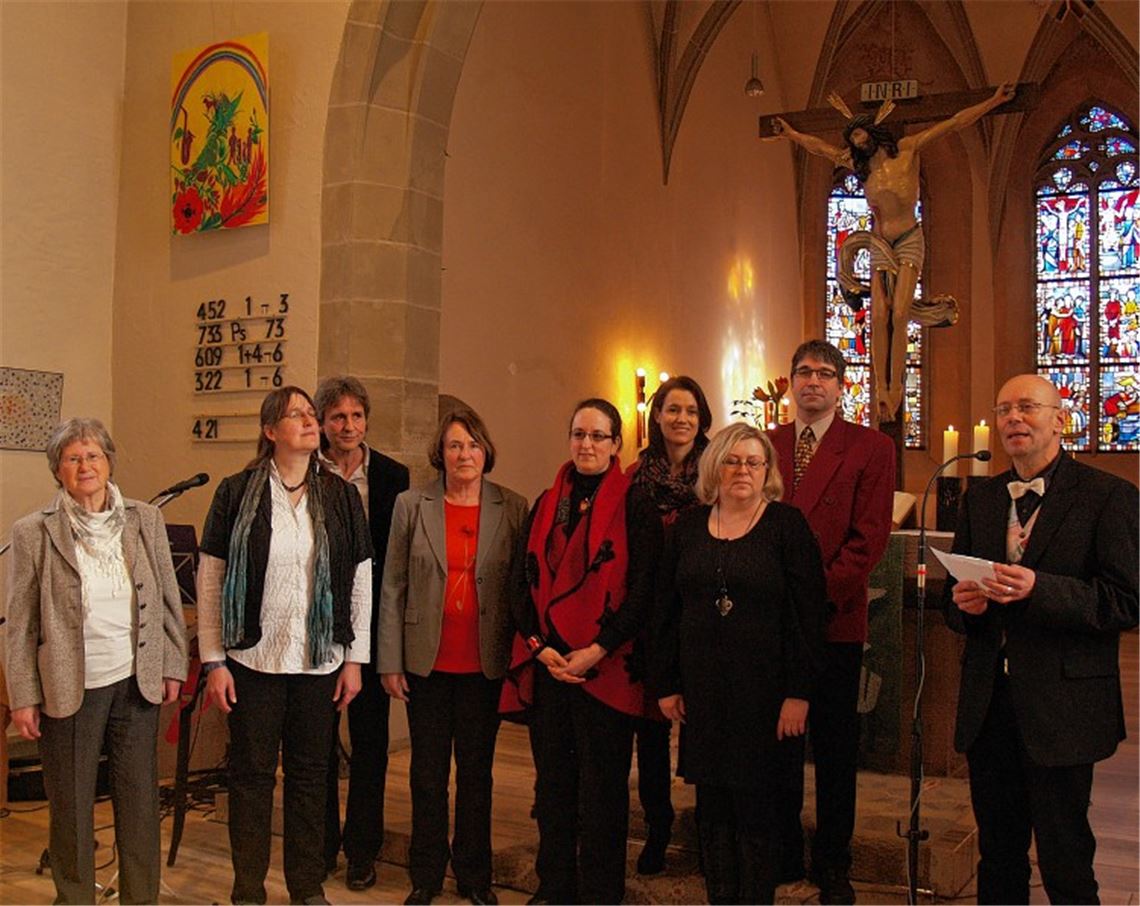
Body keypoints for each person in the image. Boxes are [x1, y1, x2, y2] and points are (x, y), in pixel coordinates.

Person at [945, 373, 1138, 904]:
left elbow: (1127, 602)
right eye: (1004, 409)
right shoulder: (981, 499)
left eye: (1027, 407)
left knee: (1065, 859)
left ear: (1060, 419)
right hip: (990, 706)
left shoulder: (1109, 496)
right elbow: (957, 603)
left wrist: (1040, 589)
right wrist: (966, 606)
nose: (1013, 418)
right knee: (998, 855)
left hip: (1063, 705)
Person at [197, 386, 373, 906]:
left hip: (319, 660)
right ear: (271, 431)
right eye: (297, 415)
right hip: (251, 659)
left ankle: (306, 887)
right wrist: (213, 661)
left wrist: (355, 659)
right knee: (251, 777)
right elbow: (211, 579)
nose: (310, 421)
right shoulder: (236, 492)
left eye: (310, 413)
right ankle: (248, 889)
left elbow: (360, 580)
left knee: (310, 777)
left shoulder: (340, 495)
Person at [4, 417, 189, 904]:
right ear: (57, 470)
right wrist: (23, 696)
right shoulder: (33, 531)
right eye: (73, 458)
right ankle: (74, 898)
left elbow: (168, 597)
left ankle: (141, 898)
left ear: (108, 462)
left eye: (93, 456)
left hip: (136, 681)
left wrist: (173, 663)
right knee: (70, 805)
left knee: (139, 800)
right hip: (69, 687)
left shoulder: (144, 518)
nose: (84, 465)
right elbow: (20, 623)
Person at [652, 423, 826, 904]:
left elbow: (809, 617)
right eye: (732, 461)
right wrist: (666, 683)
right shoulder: (688, 528)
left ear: (767, 470)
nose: (742, 470)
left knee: (757, 813)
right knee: (713, 811)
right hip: (705, 695)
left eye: (753, 462)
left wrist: (799, 693)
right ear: (715, 467)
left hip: (767, 699)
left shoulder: (787, 526)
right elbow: (665, 611)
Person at [769, 84, 1014, 421]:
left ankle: (895, 386)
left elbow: (954, 123)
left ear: (873, 131)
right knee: (879, 316)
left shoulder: (908, 150)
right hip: (880, 242)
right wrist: (791, 134)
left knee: (900, 313)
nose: (858, 143)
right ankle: (880, 389)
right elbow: (820, 148)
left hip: (909, 239)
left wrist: (994, 101)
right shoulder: (859, 166)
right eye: (853, 139)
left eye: (860, 135)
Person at [501, 398, 662, 905]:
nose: (586, 444)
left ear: (616, 444)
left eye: (597, 436)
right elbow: (519, 582)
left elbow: (643, 592)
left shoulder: (636, 505)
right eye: (578, 434)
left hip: (606, 669)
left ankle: (599, 893)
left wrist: (597, 649)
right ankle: (555, 887)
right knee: (552, 787)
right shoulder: (547, 501)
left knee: (602, 792)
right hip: (551, 667)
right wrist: (539, 647)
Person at [378, 407, 528, 906]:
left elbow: (520, 588)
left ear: (486, 451)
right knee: (427, 775)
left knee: (476, 774)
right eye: (455, 445)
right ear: (440, 454)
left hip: (485, 663)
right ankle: (425, 875)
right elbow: (393, 585)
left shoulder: (513, 506)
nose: (465, 454)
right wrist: (389, 661)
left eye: (473, 444)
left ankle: (474, 876)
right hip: (427, 663)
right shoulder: (411, 505)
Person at [769, 339, 895, 904]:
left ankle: (833, 862)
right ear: (791, 382)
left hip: (833, 621)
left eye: (825, 373)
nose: (813, 381)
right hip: (770, 625)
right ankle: (782, 853)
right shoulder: (766, 444)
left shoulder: (870, 447)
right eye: (803, 372)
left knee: (835, 752)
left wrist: (810, 599)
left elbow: (868, 541)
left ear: (842, 387)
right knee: (778, 748)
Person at [315, 376, 410, 890]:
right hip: (317, 627)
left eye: (356, 416)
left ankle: (362, 850)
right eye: (337, 417)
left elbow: (397, 560)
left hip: (371, 628)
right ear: (322, 424)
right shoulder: (306, 470)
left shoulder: (394, 475)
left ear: (366, 419)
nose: (348, 426)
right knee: (318, 745)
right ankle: (320, 845)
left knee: (371, 745)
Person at [627, 375, 713, 874]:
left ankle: (710, 829)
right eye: (673, 409)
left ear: (702, 420)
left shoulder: (716, 475)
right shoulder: (634, 478)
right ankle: (657, 828)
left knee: (707, 726)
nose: (682, 419)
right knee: (652, 733)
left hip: (701, 614)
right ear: (656, 415)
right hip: (649, 617)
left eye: (691, 411)